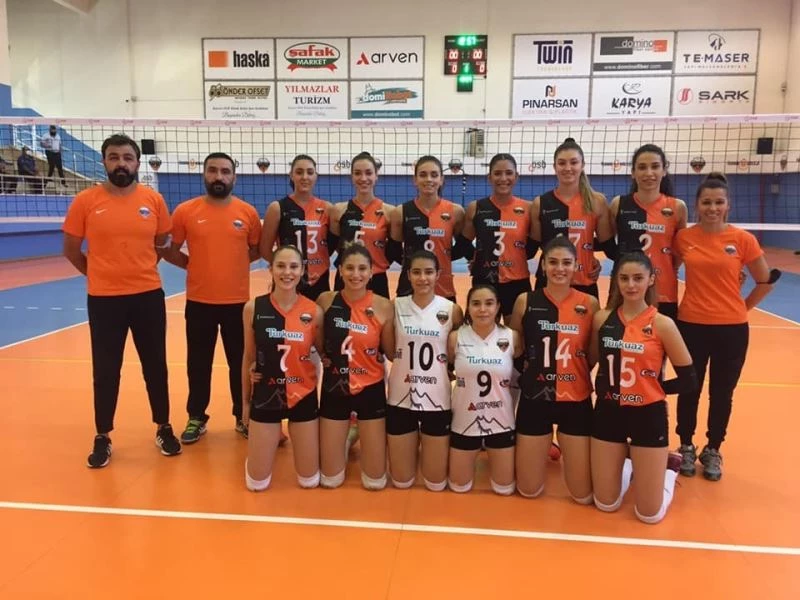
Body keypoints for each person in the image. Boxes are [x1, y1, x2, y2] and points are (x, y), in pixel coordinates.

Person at [62, 133, 181, 468]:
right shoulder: (86, 201)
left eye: (127, 158)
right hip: (104, 301)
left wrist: (139, 270)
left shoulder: (153, 200)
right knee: (106, 370)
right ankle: (103, 434)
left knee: (155, 366)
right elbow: (71, 250)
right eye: (114, 157)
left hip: (148, 297)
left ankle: (163, 426)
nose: (121, 164)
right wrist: (99, 275)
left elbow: (161, 244)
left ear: (137, 163)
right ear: (104, 162)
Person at [672, 173, 779, 481]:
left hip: (731, 330)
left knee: (722, 393)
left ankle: (713, 448)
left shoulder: (743, 240)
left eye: (719, 202)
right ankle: (686, 445)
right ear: (697, 205)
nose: (713, 208)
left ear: (728, 205)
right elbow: (670, 270)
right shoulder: (684, 238)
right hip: (691, 325)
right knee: (689, 389)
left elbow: (764, 280)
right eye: (707, 202)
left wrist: (742, 308)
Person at [589, 252, 697, 524]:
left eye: (638, 278)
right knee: (605, 504)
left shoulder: (662, 324)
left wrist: (652, 387)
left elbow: (689, 379)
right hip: (608, 411)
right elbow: (591, 361)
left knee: (649, 515)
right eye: (624, 278)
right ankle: (628, 464)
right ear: (616, 280)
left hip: (648, 415)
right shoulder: (602, 319)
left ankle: (668, 472)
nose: (631, 285)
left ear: (650, 280)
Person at [165, 152, 262, 443]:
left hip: (238, 304)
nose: (219, 176)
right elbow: (170, 250)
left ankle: (242, 416)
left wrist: (234, 265)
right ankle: (196, 416)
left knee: (240, 364)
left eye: (225, 171)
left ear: (234, 177)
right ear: (204, 174)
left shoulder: (247, 213)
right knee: (198, 364)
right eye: (213, 170)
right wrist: (192, 265)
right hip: (199, 302)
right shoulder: (185, 211)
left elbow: (256, 250)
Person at [509, 237, 599, 502]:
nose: (560, 269)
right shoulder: (525, 301)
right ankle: (544, 446)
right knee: (528, 491)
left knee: (583, 495)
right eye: (553, 262)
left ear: (576, 266)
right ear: (543, 266)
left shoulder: (590, 303)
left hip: (576, 398)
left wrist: (572, 371)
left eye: (566, 263)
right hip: (535, 397)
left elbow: (592, 354)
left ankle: (631, 466)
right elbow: (515, 347)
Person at [241, 245, 324, 491]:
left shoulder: (314, 312)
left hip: (303, 395)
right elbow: (248, 358)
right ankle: (258, 453)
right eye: (281, 266)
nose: (287, 272)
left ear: (302, 270)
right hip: (266, 395)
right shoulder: (253, 308)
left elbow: (324, 354)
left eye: (293, 266)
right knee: (257, 484)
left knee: (309, 481)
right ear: (270, 269)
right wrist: (245, 403)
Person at [316, 244, 394, 490]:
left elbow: (389, 351)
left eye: (362, 269)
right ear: (340, 270)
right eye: (349, 268)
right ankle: (349, 435)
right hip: (335, 387)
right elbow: (317, 342)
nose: (355, 274)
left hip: (371, 388)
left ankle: (357, 432)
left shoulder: (383, 306)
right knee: (330, 480)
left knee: (375, 482)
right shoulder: (326, 301)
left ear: (371, 272)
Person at [385, 250, 463, 491]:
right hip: (401, 396)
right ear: (408, 275)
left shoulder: (452, 310)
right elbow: (390, 352)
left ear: (438, 274)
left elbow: (456, 353)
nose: (423, 278)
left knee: (436, 483)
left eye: (429, 272)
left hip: (437, 400)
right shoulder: (395, 306)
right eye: (416, 272)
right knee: (401, 481)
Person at [448, 284, 522, 495]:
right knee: (459, 486)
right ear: (468, 307)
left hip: (501, 421)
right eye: (476, 304)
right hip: (464, 421)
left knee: (504, 488)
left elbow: (518, 374)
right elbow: (447, 368)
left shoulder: (512, 337)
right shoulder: (456, 338)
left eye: (489, 303)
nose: (482, 309)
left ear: (498, 307)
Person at [608, 144, 687, 319]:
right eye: (642, 167)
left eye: (655, 166)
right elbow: (609, 244)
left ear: (664, 170)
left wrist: (667, 268)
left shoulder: (677, 207)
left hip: (663, 290)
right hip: (625, 288)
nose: (649, 173)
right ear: (633, 172)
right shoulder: (618, 204)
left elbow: (679, 251)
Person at [531, 138, 615, 298]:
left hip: (584, 281)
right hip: (548, 281)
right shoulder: (540, 203)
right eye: (562, 163)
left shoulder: (597, 201)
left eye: (574, 162)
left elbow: (607, 246)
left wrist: (589, 255)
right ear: (554, 167)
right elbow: (535, 245)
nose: (568, 168)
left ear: (582, 165)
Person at [462, 153, 532, 322]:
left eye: (508, 173)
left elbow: (537, 244)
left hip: (517, 282)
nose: (503, 178)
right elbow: (464, 243)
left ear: (516, 176)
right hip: (484, 281)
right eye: (498, 173)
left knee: (517, 334)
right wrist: (476, 258)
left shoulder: (528, 208)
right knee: (480, 331)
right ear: (489, 177)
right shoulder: (476, 208)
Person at [389, 155, 466, 301]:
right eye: (423, 175)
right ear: (415, 180)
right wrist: (414, 266)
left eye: (434, 175)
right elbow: (394, 251)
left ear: (441, 179)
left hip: (443, 287)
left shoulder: (456, 212)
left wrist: (443, 259)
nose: (429, 179)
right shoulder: (400, 212)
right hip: (409, 288)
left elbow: (462, 248)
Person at [260, 154, 332, 300]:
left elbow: (331, 246)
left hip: (319, 280)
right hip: (288, 281)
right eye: (299, 172)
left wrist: (316, 264)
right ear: (291, 175)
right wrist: (286, 269)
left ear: (316, 176)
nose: (305, 177)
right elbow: (265, 250)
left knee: (319, 315)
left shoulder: (327, 208)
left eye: (310, 172)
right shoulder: (277, 208)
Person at [329, 152, 394, 298]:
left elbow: (392, 249)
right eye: (358, 173)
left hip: (376, 279)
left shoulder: (389, 212)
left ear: (376, 175)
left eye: (368, 173)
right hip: (346, 278)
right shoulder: (339, 210)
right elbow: (336, 246)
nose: (363, 178)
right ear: (351, 177)